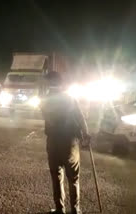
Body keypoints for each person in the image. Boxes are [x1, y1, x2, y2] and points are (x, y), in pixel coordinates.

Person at [41, 72, 90, 214]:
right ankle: (75, 209)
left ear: (48, 83)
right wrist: (86, 134)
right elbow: (80, 117)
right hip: (70, 142)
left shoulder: (45, 100)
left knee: (56, 177)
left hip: (53, 141)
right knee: (73, 177)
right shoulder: (70, 98)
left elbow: (48, 118)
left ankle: (59, 209)